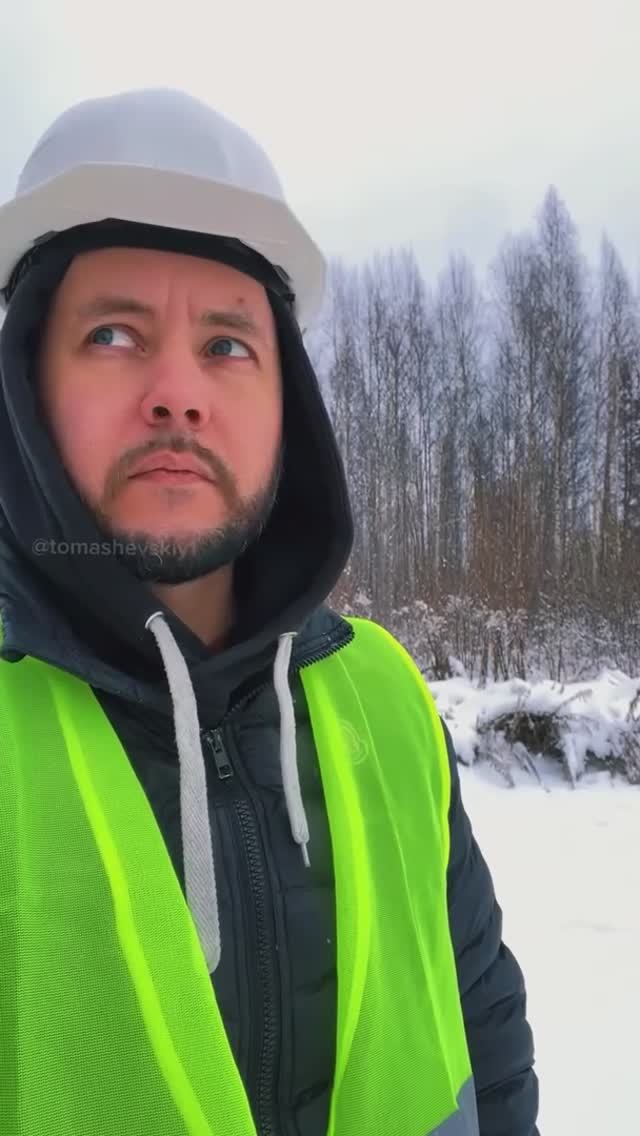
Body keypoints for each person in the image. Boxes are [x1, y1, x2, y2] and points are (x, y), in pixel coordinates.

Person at [0, 88, 539, 1136]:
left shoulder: (387, 697)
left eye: (227, 345)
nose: (178, 393)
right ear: (27, 380)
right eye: (112, 333)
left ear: (287, 401)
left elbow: (484, 1027)